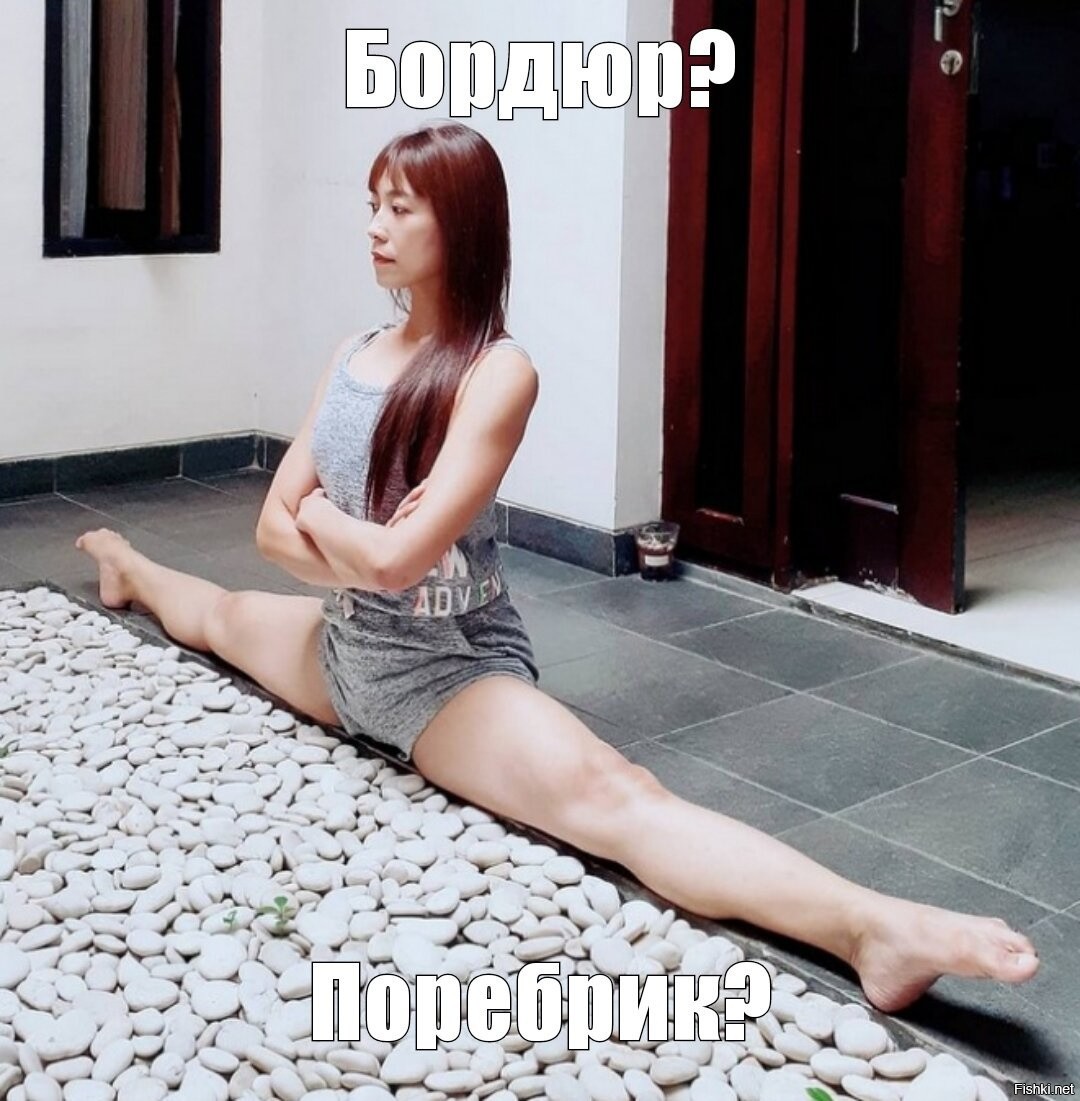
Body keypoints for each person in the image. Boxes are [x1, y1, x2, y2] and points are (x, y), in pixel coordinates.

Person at [76, 121, 1040, 1015]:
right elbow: (270, 533)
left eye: (399, 208)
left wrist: (322, 515)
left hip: (448, 672)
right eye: (373, 205)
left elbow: (391, 562)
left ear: (461, 225)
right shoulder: (352, 354)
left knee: (617, 798)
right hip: (346, 647)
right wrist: (346, 539)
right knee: (214, 615)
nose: (374, 227)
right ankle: (126, 563)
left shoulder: (497, 372)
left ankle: (869, 927)